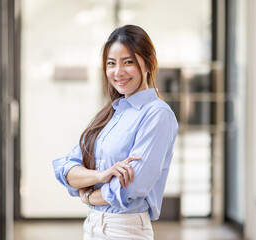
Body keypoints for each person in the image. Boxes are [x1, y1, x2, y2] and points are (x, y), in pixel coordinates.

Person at [52, 25, 178, 240]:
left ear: (148, 63)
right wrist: (101, 175)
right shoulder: (112, 112)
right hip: (92, 225)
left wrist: (89, 195)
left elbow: (133, 186)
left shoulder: (157, 114)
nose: (118, 72)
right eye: (111, 63)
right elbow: (66, 168)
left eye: (128, 62)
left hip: (124, 229)